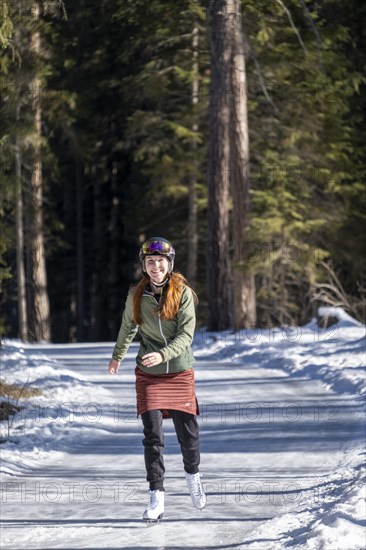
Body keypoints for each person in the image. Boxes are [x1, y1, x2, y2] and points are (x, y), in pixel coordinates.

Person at [108, 237, 206, 522]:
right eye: (149, 262)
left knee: (188, 435)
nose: (155, 266)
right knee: (153, 436)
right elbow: (128, 326)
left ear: (170, 264)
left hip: (179, 370)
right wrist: (117, 356)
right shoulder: (136, 294)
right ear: (144, 265)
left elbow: (186, 336)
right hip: (148, 375)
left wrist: (163, 355)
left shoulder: (183, 294)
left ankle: (193, 475)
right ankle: (156, 497)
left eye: (160, 261)